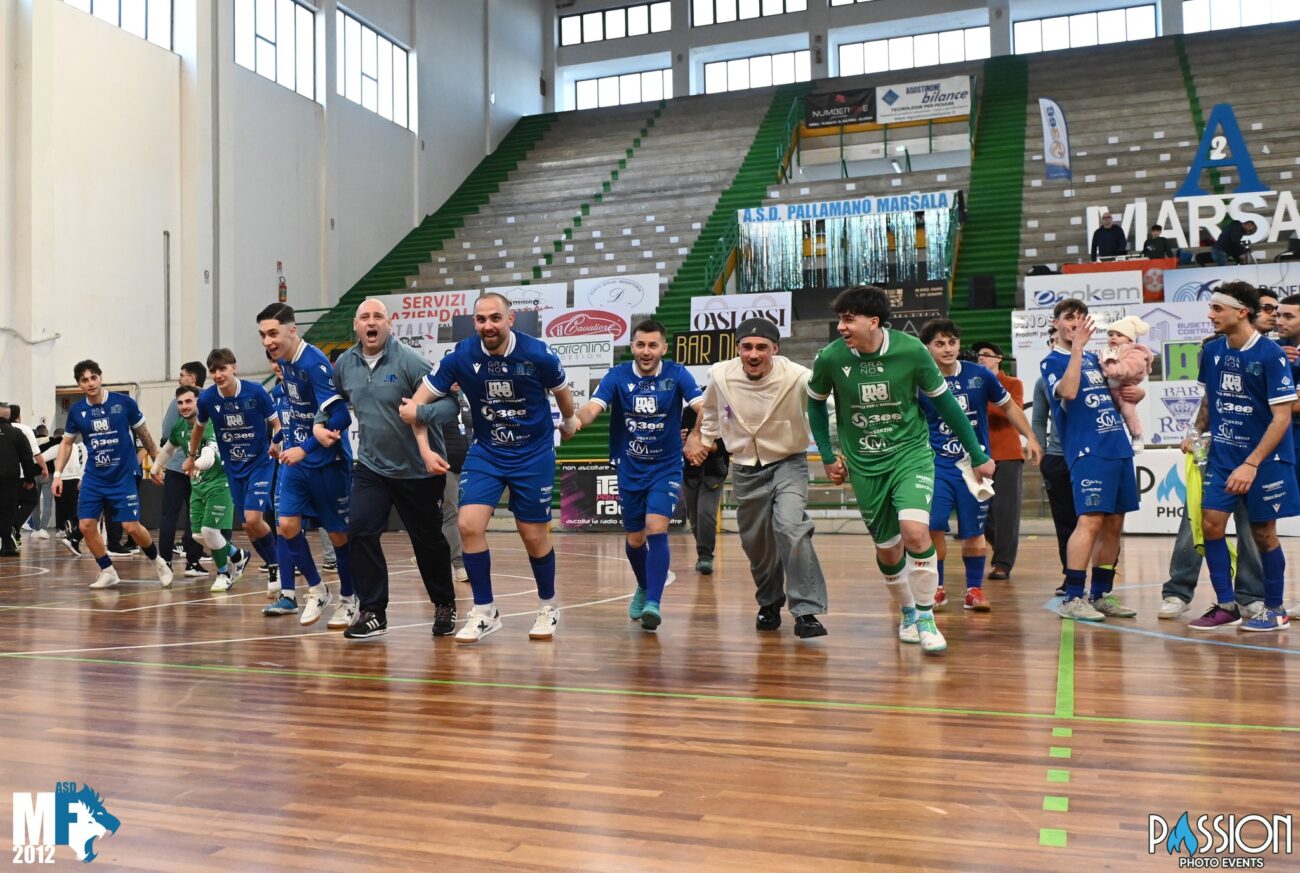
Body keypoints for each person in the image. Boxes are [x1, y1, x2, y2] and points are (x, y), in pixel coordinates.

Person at [807, 289, 995, 653]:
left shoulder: (911, 351)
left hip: (910, 455)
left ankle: (926, 618)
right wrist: (829, 455)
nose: (841, 327)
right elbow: (814, 406)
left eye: (848, 319)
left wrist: (975, 452)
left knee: (915, 531)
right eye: (840, 319)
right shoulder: (830, 358)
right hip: (864, 463)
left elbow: (947, 405)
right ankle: (907, 611)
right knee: (889, 549)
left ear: (873, 322)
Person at [402, 293, 579, 644]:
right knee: (468, 525)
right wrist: (423, 448)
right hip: (488, 452)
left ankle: (548, 606)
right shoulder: (461, 356)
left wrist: (571, 420)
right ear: (475, 323)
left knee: (533, 535)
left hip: (533, 452)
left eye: (495, 318)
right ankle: (485, 611)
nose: (488, 326)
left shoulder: (537, 353)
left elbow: (561, 392)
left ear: (510, 319)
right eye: (481, 319)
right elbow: (415, 406)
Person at [326, 298, 459, 641]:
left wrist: (421, 414)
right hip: (371, 466)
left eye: (378, 317)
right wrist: (319, 423)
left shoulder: (410, 361)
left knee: (428, 540)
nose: (371, 322)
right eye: (365, 317)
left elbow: (449, 404)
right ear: (356, 325)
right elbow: (333, 401)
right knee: (360, 530)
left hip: (418, 470)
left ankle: (444, 603)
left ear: (389, 324)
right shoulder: (345, 363)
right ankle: (373, 611)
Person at [687, 317, 829, 638]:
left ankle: (806, 611)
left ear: (775, 349)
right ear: (738, 348)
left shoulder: (797, 377)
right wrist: (703, 440)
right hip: (745, 467)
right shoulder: (721, 375)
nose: (753, 354)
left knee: (791, 527)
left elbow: (825, 410)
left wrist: (836, 449)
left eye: (762, 347)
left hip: (788, 461)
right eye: (746, 347)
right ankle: (769, 602)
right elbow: (710, 412)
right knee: (757, 544)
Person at [1185, 282, 1297, 631]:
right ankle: (1227, 605)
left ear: (1241, 312)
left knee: (1264, 534)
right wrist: (1195, 431)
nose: (1210, 314)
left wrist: (1251, 464)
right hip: (1222, 455)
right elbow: (1210, 401)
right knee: (1211, 525)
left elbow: (1282, 417)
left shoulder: (1270, 354)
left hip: (1265, 460)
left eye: (1218, 308)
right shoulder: (1214, 351)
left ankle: (1275, 609)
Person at [577, 319, 703, 631]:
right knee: (634, 540)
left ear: (664, 348)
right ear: (632, 346)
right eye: (640, 345)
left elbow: (704, 406)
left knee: (655, 528)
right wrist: (575, 422)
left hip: (666, 466)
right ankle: (644, 586)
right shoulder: (618, 375)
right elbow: (593, 407)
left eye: (653, 345)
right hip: (630, 466)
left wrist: (698, 435)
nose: (646, 351)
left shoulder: (676, 373)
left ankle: (654, 604)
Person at [919, 322, 1041, 612]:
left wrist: (1031, 437)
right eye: (939, 344)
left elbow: (1010, 406)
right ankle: (937, 589)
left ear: (959, 345)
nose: (947, 349)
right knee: (934, 527)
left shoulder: (979, 375)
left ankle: (974, 590)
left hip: (974, 467)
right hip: (936, 465)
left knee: (974, 532)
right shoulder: (919, 380)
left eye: (952, 342)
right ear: (927, 348)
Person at [256, 303, 357, 628]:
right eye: (262, 335)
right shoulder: (284, 363)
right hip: (297, 461)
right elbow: (298, 409)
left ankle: (349, 599)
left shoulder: (314, 363)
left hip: (329, 461)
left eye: (273, 333)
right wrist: (280, 439)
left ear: (291, 330)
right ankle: (317, 589)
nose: (268, 341)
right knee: (287, 526)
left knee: (339, 536)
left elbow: (340, 415)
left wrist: (309, 445)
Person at [1040, 300, 1138, 621]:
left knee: (1114, 524)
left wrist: (1136, 394)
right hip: (1087, 450)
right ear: (1056, 323)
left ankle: (1101, 595)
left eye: (1082, 318)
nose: (1076, 324)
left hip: (1117, 445)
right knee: (1090, 521)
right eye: (1070, 318)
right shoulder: (1052, 361)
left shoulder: (1099, 359)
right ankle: (1072, 596)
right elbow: (1068, 392)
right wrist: (1079, 349)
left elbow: (1119, 392)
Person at [51, 360, 173, 589]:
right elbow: (66, 444)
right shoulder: (78, 411)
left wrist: (156, 465)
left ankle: (158, 561)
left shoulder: (123, 402)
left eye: (93, 377)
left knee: (131, 527)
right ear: (79, 384)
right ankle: (107, 570)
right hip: (95, 477)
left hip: (123, 475)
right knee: (86, 525)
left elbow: (144, 434)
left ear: (100, 377)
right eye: (84, 380)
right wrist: (57, 474)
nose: (90, 383)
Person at [191, 348, 284, 601]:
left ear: (234, 368)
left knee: (254, 519)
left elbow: (277, 423)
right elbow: (198, 428)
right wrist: (191, 455)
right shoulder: (208, 399)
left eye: (223, 369)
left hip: (260, 463)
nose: (218, 375)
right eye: (214, 371)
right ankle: (269, 564)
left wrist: (276, 441)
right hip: (233, 468)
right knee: (247, 525)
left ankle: (277, 569)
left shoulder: (256, 392)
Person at [153, 385, 248, 592]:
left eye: (189, 401)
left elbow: (210, 452)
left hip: (219, 483)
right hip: (198, 485)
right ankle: (238, 555)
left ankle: (223, 574)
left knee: (210, 531)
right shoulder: (180, 426)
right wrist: (156, 467)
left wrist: (194, 463)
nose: (184, 406)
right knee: (198, 536)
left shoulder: (209, 422)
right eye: (180, 403)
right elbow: (169, 448)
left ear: (199, 401)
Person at [972, 341, 1026, 582]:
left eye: (985, 355)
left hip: (1007, 454)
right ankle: (1001, 548)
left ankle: (1002, 563)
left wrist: (982, 396)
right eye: (977, 356)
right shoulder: (971, 382)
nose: (980, 358)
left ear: (999, 359)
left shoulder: (1012, 384)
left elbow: (1009, 411)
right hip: (977, 455)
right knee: (978, 511)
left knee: (1006, 512)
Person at [1032, 327, 1078, 584]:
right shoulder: (1043, 381)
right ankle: (1070, 577)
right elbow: (1038, 420)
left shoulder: (1091, 370)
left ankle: (1102, 583)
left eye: (1057, 340)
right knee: (1065, 522)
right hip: (1058, 458)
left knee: (1098, 522)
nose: (1054, 344)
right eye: (1051, 341)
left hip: (1089, 457)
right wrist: (1042, 452)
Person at [155, 362, 210, 577]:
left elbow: (168, 431)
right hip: (199, 468)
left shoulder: (179, 401)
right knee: (195, 516)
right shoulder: (210, 398)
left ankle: (166, 562)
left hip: (181, 467)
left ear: (193, 379)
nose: (179, 379)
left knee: (170, 515)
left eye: (182, 375)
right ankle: (193, 562)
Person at [680, 403, 728, 575]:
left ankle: (705, 555)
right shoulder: (686, 413)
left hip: (714, 472)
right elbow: (679, 442)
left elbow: (728, 447)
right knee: (693, 516)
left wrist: (705, 446)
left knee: (706, 513)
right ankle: (703, 552)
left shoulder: (724, 413)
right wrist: (682, 440)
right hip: (689, 472)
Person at [1099, 315, 1153, 454]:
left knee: (1128, 412)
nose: (1113, 337)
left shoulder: (1135, 351)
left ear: (1130, 339)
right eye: (1110, 334)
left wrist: (1114, 370)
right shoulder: (1105, 351)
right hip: (1107, 390)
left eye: (1119, 335)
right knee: (1105, 416)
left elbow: (1131, 367)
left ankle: (1137, 436)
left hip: (1125, 391)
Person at [439, 385, 471, 583]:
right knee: (451, 513)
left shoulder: (466, 402)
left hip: (468, 468)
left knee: (466, 516)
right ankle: (459, 564)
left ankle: (429, 552)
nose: (456, 382)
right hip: (446, 468)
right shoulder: (438, 404)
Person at [4, 404, 45, 550]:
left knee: (9, 507)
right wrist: (42, 469)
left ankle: (12, 539)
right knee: (31, 500)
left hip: (7, 476)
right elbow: (33, 454)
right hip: (19, 475)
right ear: (17, 416)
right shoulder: (24, 430)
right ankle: (14, 528)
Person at [0, 414, 37, 557]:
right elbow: (28, 457)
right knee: (8, 510)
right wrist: (30, 478)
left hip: (12, 478)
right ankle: (7, 543)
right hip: (11, 478)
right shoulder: (18, 432)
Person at [45, 428, 86, 556]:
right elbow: (83, 462)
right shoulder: (78, 446)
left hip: (61, 479)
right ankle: (71, 526)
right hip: (75, 478)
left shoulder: (59, 447)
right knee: (73, 506)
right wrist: (81, 477)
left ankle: (64, 528)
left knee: (61, 506)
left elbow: (43, 456)